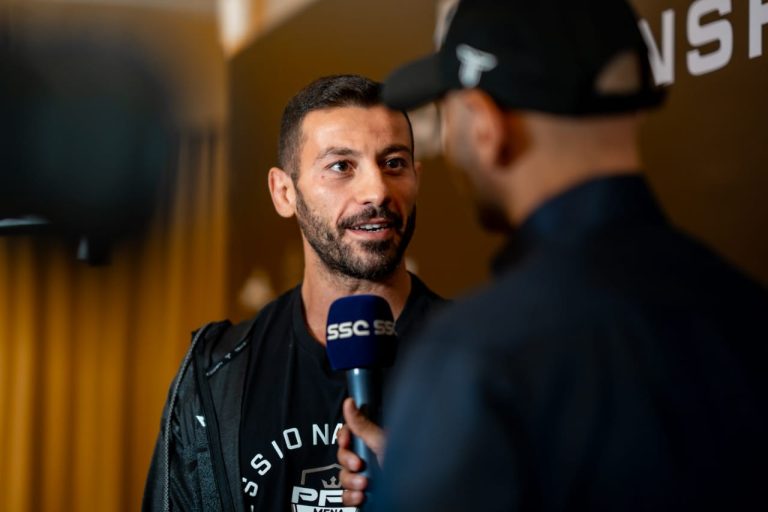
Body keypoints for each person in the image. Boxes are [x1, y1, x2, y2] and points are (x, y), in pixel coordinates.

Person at [338, 1, 768, 510]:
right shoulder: (748, 310)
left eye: (451, 117)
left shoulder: (476, 358)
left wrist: (422, 470)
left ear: (486, 125)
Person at [142, 74, 445, 512]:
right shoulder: (215, 375)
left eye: (394, 163)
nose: (377, 191)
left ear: (417, 178)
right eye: (341, 166)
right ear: (284, 193)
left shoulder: (488, 359)